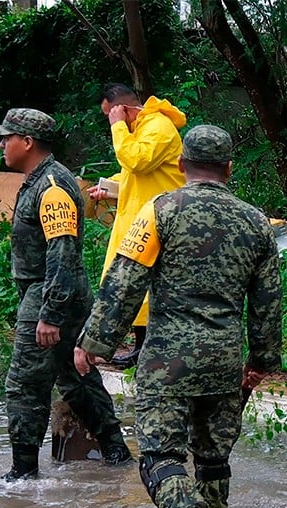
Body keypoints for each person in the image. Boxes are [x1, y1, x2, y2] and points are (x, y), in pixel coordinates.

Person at [74, 125, 283, 508]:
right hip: (225, 361)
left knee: (159, 455)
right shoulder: (256, 223)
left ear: (183, 165)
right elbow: (268, 303)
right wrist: (262, 362)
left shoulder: (159, 210)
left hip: (166, 360)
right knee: (213, 458)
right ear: (229, 169)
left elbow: (125, 283)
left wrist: (92, 344)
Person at [0, 108, 133, 481]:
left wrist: (49, 313)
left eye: (7, 137)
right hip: (57, 291)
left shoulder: (51, 187)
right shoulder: (42, 180)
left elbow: (62, 252)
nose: (2, 144)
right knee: (76, 376)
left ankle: (22, 474)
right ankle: (117, 454)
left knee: (25, 382)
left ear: (28, 142)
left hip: (50, 292)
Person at [86, 83, 187, 368]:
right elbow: (133, 173)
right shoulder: (143, 128)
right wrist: (110, 187)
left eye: (112, 114)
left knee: (148, 287)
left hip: (159, 221)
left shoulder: (159, 126)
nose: (111, 121)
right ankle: (140, 347)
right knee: (134, 287)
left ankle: (146, 349)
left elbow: (137, 160)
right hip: (139, 219)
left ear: (124, 109)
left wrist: (117, 127)